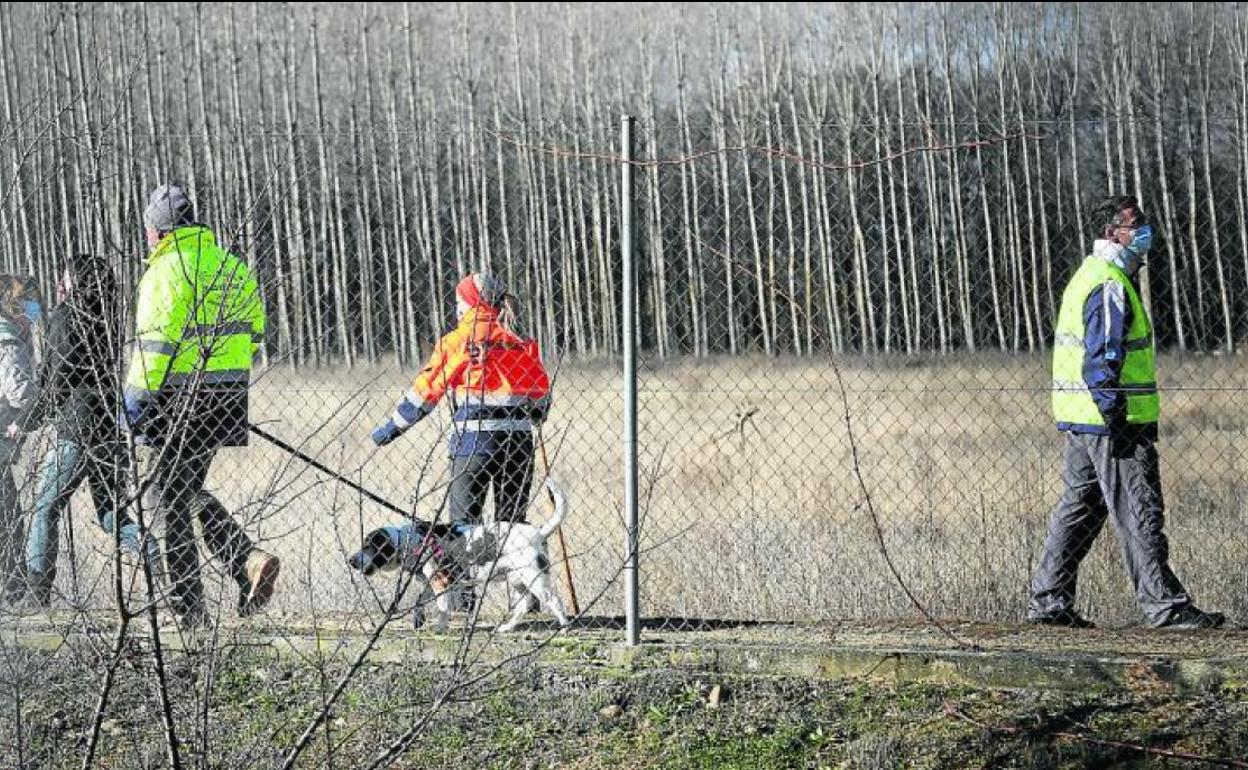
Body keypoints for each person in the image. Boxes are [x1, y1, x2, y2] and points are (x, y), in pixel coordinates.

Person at [1027, 195, 1225, 630]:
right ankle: (1164, 607)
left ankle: (1048, 600)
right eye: (1135, 223)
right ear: (1112, 232)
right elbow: (1101, 359)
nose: (1145, 230)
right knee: (1140, 508)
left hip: (1082, 418)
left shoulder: (1089, 274)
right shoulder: (1110, 281)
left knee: (1080, 507)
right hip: (1113, 421)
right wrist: (1116, 417)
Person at [124, 183, 279, 628]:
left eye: (149, 229)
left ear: (159, 231)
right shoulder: (229, 265)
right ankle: (245, 560)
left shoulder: (164, 272)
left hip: (174, 399)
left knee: (160, 496)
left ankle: (186, 611)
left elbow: (153, 350)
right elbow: (256, 332)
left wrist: (133, 405)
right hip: (225, 396)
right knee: (183, 488)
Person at [24, 254, 159, 607]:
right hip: (109, 425)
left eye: (65, 276)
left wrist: (24, 422)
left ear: (74, 283)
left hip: (78, 429)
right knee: (111, 514)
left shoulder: (65, 317)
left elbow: (58, 380)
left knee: (44, 508)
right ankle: (160, 562)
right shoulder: (106, 317)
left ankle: (37, 596)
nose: (59, 283)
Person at [370, 273, 552, 528]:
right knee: (513, 531)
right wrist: (534, 415)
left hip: (474, 443)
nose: (457, 309)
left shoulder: (457, 341)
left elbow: (427, 391)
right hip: (519, 445)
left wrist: (390, 429)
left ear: (470, 302)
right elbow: (541, 396)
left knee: (464, 530)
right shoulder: (521, 342)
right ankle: (510, 567)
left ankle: (468, 568)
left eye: (459, 302)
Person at [0, 275, 40, 603]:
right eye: (28, 303)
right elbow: (21, 393)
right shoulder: (8, 342)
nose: (35, 310)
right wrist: (42, 404)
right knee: (8, 521)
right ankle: (12, 590)